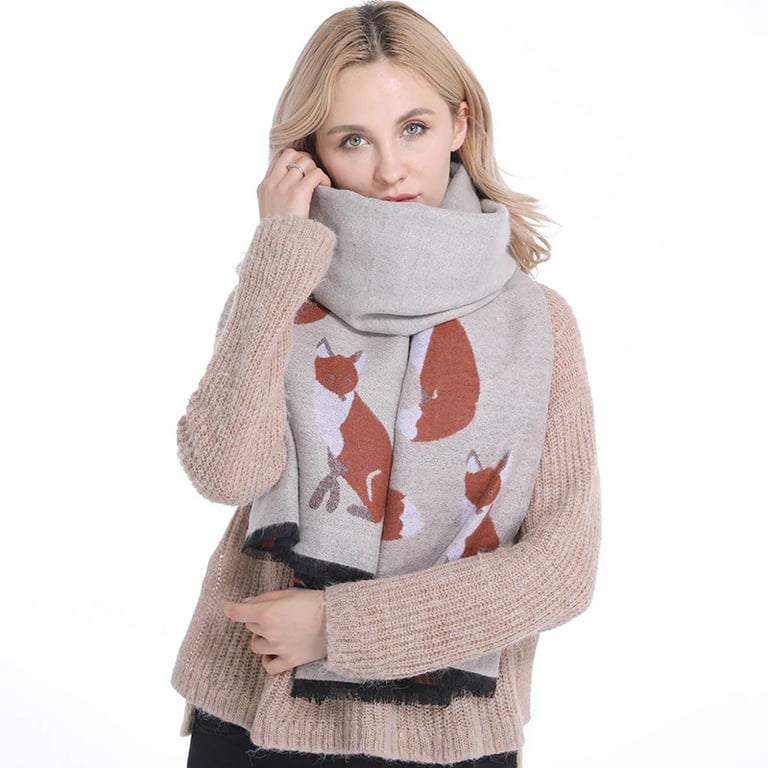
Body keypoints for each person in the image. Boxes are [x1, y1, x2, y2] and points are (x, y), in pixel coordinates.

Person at [171, 2, 600, 766]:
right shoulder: (282, 284)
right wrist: (276, 253)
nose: (390, 169)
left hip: (450, 736)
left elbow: (561, 571)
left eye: (413, 128)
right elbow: (223, 472)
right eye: (353, 140)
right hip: (257, 720)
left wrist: (338, 626)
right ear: (310, 154)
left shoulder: (537, 325)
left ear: (460, 124)